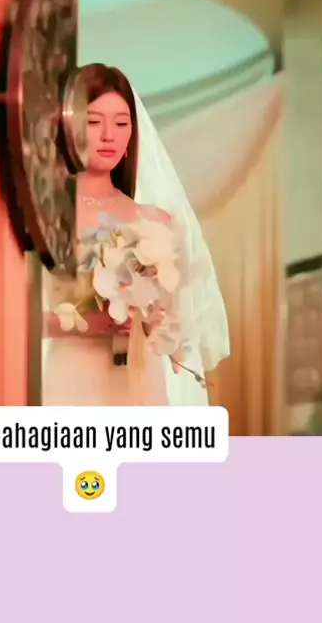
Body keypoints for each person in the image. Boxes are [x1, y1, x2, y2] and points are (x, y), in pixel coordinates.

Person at [42, 64, 230, 406]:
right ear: (70, 127)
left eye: (121, 123)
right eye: (94, 121)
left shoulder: (154, 221)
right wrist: (91, 323)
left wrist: (156, 321)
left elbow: (176, 320)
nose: (109, 135)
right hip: (72, 380)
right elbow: (21, 321)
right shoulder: (51, 215)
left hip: (141, 381)